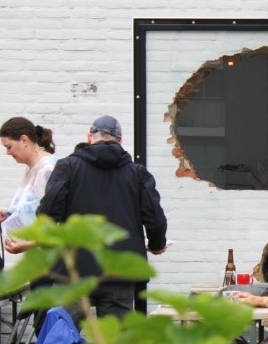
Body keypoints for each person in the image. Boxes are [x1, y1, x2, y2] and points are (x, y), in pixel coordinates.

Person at [34, 115, 168, 320]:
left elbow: (49, 211)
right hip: (119, 270)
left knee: (65, 336)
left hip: (74, 269)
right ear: (120, 141)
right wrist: (157, 244)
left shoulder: (68, 167)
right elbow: (155, 217)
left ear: (89, 138)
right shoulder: (137, 173)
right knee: (116, 341)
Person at [0, 117, 57, 243]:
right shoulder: (32, 168)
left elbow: (54, 221)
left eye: (9, 146)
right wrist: (7, 214)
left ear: (24, 140)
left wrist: (29, 244)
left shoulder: (47, 170)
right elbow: (34, 209)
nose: (7, 152)